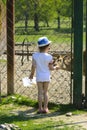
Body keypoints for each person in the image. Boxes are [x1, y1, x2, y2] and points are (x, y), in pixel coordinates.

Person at [29, 36, 59, 113]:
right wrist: (56, 67)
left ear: (39, 47)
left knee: (39, 92)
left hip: (39, 76)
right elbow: (51, 68)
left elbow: (33, 66)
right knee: (45, 92)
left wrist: (31, 74)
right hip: (46, 76)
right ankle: (46, 108)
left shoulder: (35, 55)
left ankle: (40, 108)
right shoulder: (49, 57)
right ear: (48, 46)